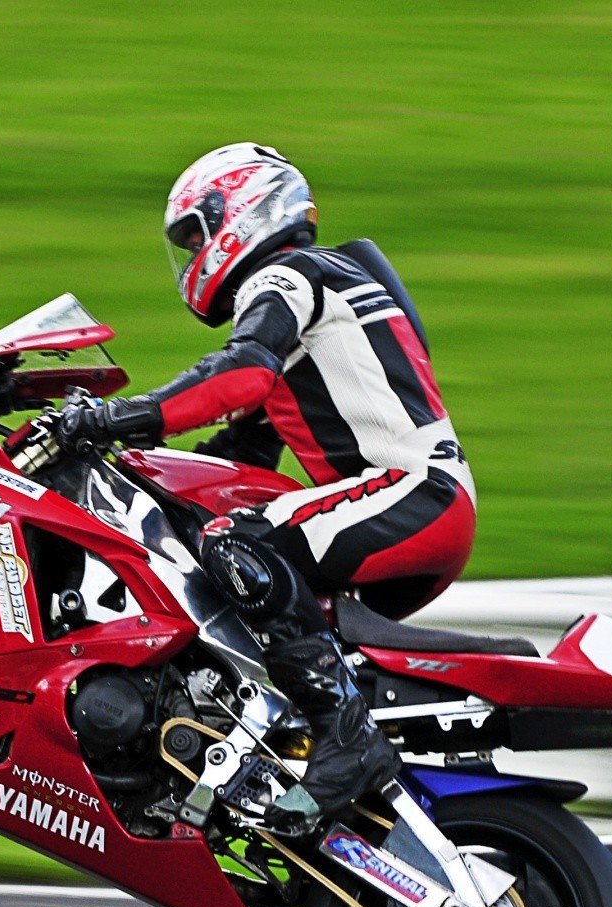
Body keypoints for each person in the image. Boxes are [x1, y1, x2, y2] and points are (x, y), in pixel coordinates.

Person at [51, 143, 477, 836]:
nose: (191, 255)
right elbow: (240, 448)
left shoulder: (287, 276)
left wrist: (109, 418)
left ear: (243, 208)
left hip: (410, 491)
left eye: (196, 235)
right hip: (410, 500)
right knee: (218, 536)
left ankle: (346, 735)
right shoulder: (320, 292)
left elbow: (241, 370)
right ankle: (276, 745)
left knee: (236, 541)